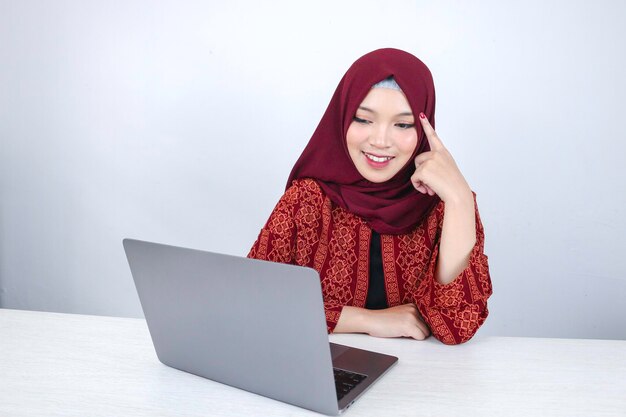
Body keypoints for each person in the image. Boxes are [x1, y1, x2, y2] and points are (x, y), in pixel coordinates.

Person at [248, 48, 492, 345]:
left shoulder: (445, 206)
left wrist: (461, 198)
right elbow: (252, 302)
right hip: (322, 374)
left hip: (421, 382)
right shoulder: (307, 199)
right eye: (364, 119)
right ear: (341, 118)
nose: (379, 140)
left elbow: (456, 327)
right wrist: (367, 321)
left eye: (403, 124)